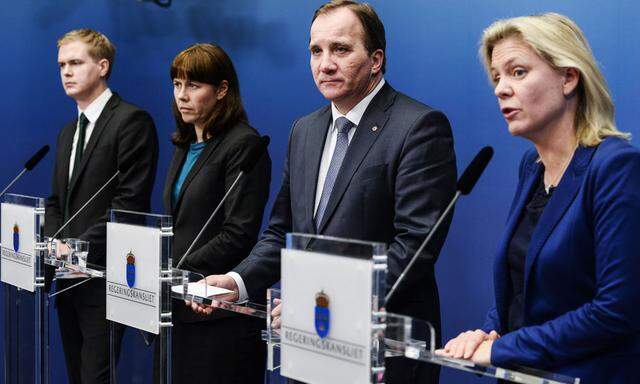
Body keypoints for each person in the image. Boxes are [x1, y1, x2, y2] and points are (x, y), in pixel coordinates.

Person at [193, 1, 457, 382]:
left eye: (341, 49)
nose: (325, 63)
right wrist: (237, 281)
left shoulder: (418, 127)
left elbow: (415, 246)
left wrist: (324, 302)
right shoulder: (305, 130)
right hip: (310, 344)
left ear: (376, 59)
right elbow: (283, 231)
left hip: (381, 350)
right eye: (316, 51)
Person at [438, 13, 640, 382]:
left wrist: (501, 349)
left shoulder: (615, 167)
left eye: (517, 72)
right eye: (497, 77)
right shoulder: (532, 167)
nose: (500, 88)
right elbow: (522, 288)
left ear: (568, 77)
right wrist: (490, 332)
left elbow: (616, 311)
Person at [45, 29, 158, 383]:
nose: (66, 71)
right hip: (66, 277)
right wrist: (52, 245)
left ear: (103, 66)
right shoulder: (68, 132)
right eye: (62, 64)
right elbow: (56, 203)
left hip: (104, 277)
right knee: (78, 375)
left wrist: (76, 248)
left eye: (76, 62)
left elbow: (129, 205)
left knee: (96, 377)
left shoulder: (131, 122)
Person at [164, 43, 271, 383]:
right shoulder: (185, 146)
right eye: (178, 84)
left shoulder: (243, 145)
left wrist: (175, 272)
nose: (183, 95)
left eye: (194, 86)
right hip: (179, 308)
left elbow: (237, 233)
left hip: (218, 316)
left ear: (222, 89)